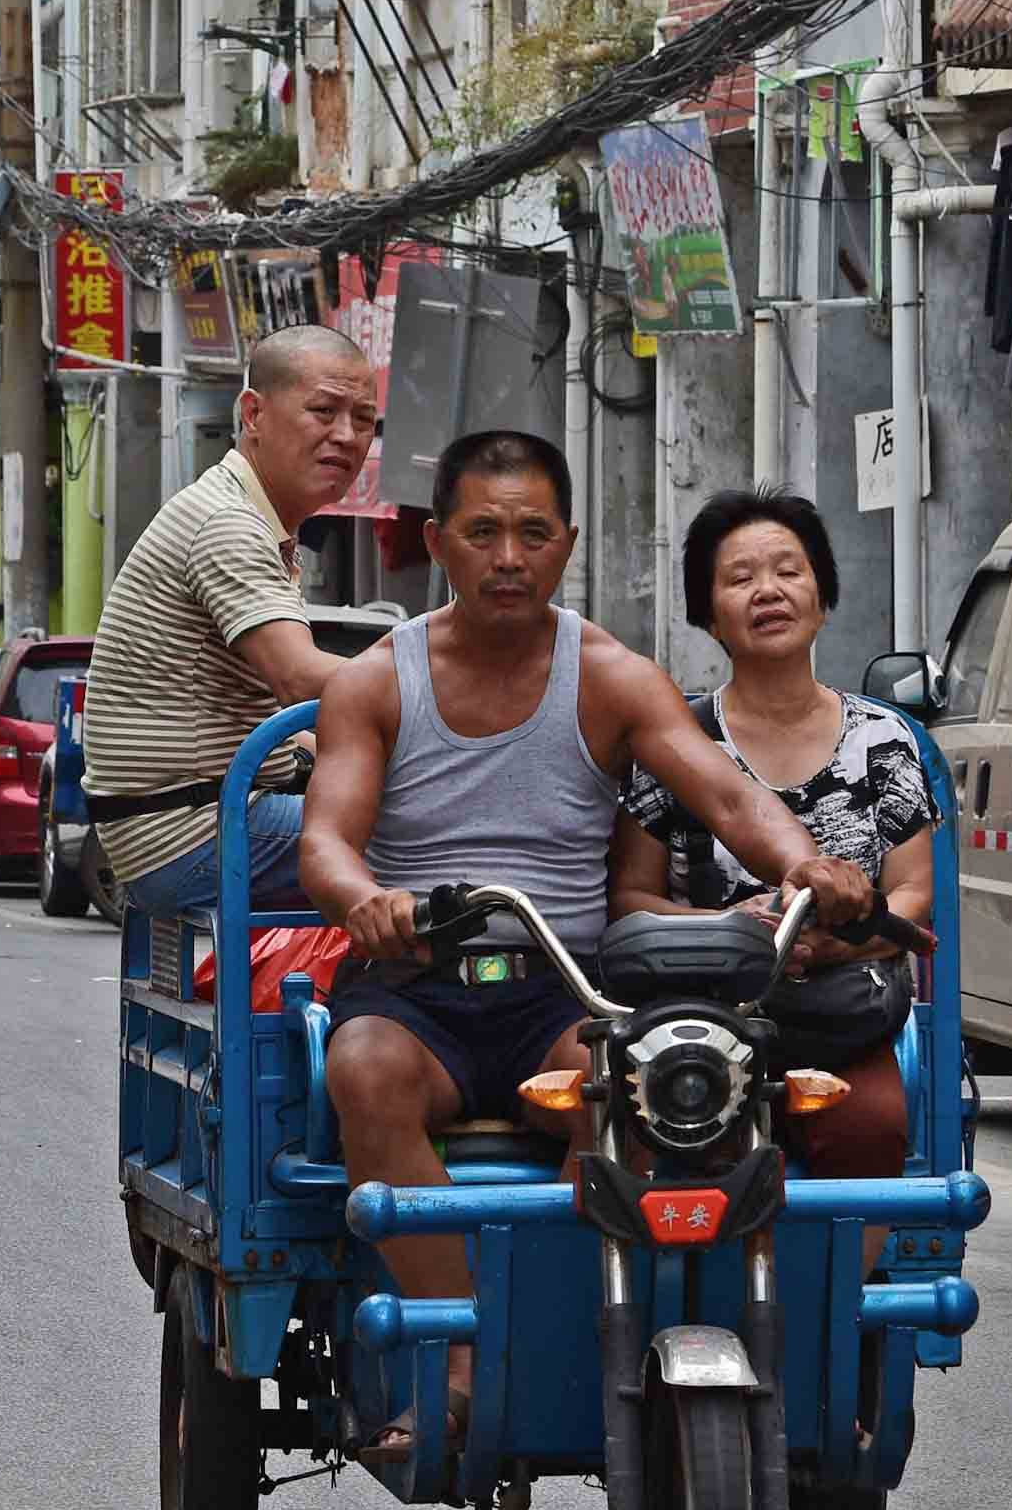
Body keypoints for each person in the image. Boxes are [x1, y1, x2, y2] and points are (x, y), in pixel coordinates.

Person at [298, 432, 873, 1442]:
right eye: (481, 533)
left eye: (530, 533)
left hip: (561, 990)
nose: (507, 557)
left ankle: (572, 1329)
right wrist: (365, 901)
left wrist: (801, 862)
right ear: (439, 543)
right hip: (414, 991)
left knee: (646, 1095)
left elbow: (729, 798)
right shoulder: (375, 683)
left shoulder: (611, 674)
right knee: (362, 1071)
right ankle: (465, 1348)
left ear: (566, 545)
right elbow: (325, 841)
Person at [610, 490, 940, 1170]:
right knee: (668, 1135)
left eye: (789, 571)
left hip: (842, 1014)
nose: (769, 591)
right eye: (740, 578)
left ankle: (837, 1279)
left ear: (823, 596)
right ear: (709, 614)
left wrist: (828, 946)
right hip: (699, 1017)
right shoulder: (677, 744)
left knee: (872, 1126)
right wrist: (728, 931)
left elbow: (911, 895)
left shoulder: (884, 740)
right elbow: (631, 899)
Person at [80, 325, 385, 914]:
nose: (346, 437)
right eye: (322, 411)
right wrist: (453, 693)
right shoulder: (227, 523)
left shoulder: (248, 517)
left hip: (183, 824)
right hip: (194, 834)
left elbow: (280, 716)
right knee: (453, 838)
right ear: (254, 413)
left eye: (364, 419)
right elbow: (300, 678)